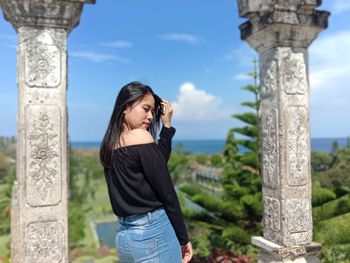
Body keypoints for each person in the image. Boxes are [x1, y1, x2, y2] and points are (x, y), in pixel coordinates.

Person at [100, 81, 193, 263]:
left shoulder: (110, 145)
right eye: (145, 108)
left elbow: (155, 166)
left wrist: (166, 129)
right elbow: (167, 193)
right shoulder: (141, 137)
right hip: (154, 233)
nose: (150, 116)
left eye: (152, 111)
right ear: (126, 106)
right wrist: (183, 238)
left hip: (126, 237)